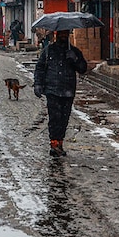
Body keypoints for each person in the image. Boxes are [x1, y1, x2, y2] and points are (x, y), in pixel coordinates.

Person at [33, 29, 88, 157]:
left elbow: (83, 69)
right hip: (52, 90)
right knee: (54, 118)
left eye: (65, 34)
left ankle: (60, 143)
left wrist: (74, 59)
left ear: (68, 35)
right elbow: (40, 68)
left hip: (68, 90)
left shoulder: (74, 51)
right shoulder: (48, 51)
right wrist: (38, 84)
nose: (63, 36)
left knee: (64, 118)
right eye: (61, 34)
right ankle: (54, 144)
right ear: (57, 35)